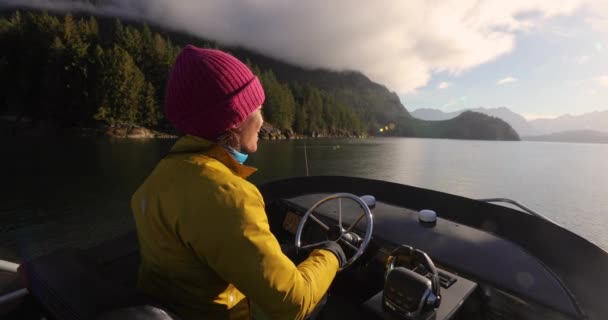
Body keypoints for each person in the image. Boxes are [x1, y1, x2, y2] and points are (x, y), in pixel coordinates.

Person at [131, 45, 347, 320]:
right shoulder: (230, 194)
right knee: (318, 299)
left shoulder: (157, 179)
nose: (262, 119)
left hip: (183, 308)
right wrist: (332, 253)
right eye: (257, 108)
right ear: (235, 119)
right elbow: (294, 303)